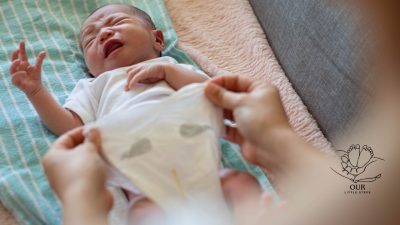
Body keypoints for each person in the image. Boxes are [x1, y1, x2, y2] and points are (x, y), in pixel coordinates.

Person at [10, 3, 263, 224]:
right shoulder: (96, 85)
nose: (104, 33)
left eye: (117, 22)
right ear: (88, 67)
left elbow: (213, 94)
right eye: (90, 40)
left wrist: (168, 73)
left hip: (200, 162)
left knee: (239, 183)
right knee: (142, 211)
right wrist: (36, 92)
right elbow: (70, 126)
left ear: (158, 40)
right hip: (139, 173)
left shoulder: (171, 66)